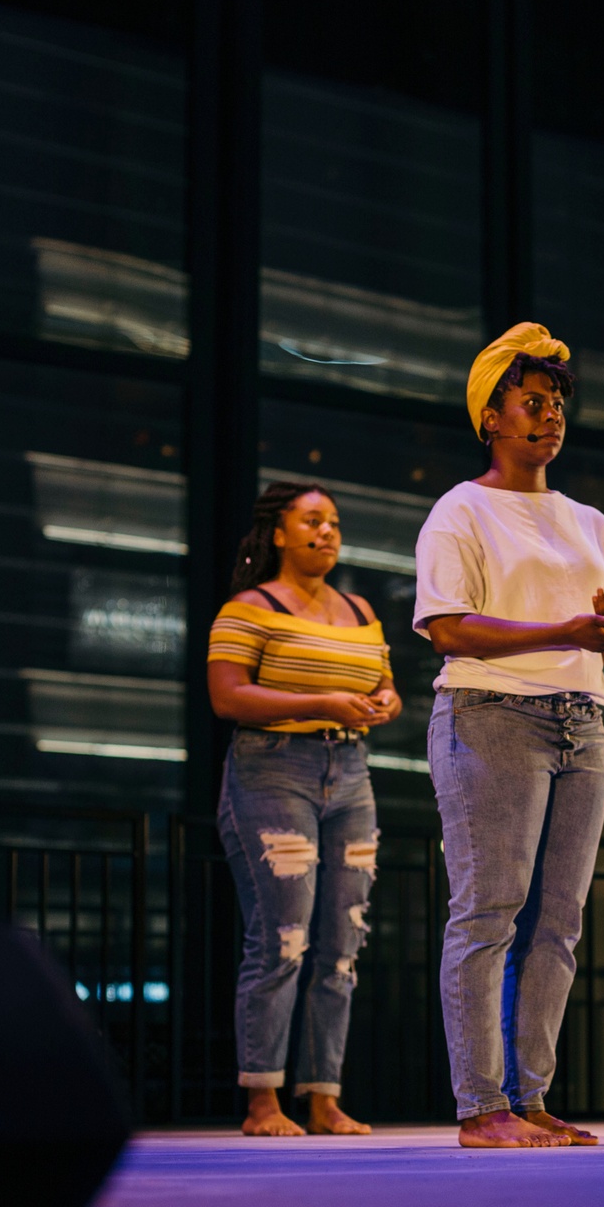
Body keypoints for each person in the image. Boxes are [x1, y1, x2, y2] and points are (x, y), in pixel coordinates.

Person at [414, 322, 604, 1149]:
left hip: (582, 719)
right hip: (490, 713)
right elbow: (446, 626)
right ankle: (481, 1106)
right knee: (489, 912)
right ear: (492, 416)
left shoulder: (589, 518)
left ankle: (532, 1095)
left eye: (556, 405)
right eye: (532, 403)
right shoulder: (461, 508)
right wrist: (570, 630)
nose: (549, 417)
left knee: (561, 920)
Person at [207, 481, 401, 1137]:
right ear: (280, 532)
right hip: (273, 770)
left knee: (341, 942)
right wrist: (322, 701)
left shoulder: (358, 608)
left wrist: (385, 703)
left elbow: (383, 683)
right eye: (312, 521)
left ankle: (323, 1096)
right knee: (283, 937)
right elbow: (227, 695)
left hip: (349, 774)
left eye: (335, 523)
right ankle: (263, 1100)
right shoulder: (247, 608)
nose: (327, 532)